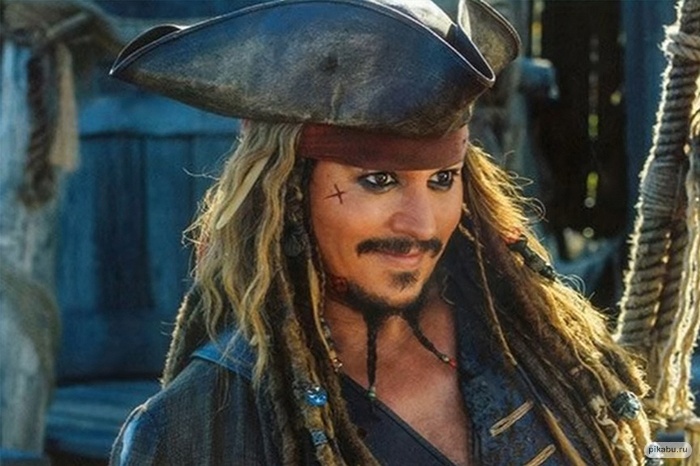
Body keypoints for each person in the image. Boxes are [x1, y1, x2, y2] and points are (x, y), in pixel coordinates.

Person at [108, 0, 653, 464]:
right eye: (379, 181)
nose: (422, 225)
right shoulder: (195, 427)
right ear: (287, 191)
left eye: (442, 180)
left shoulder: (543, 352)